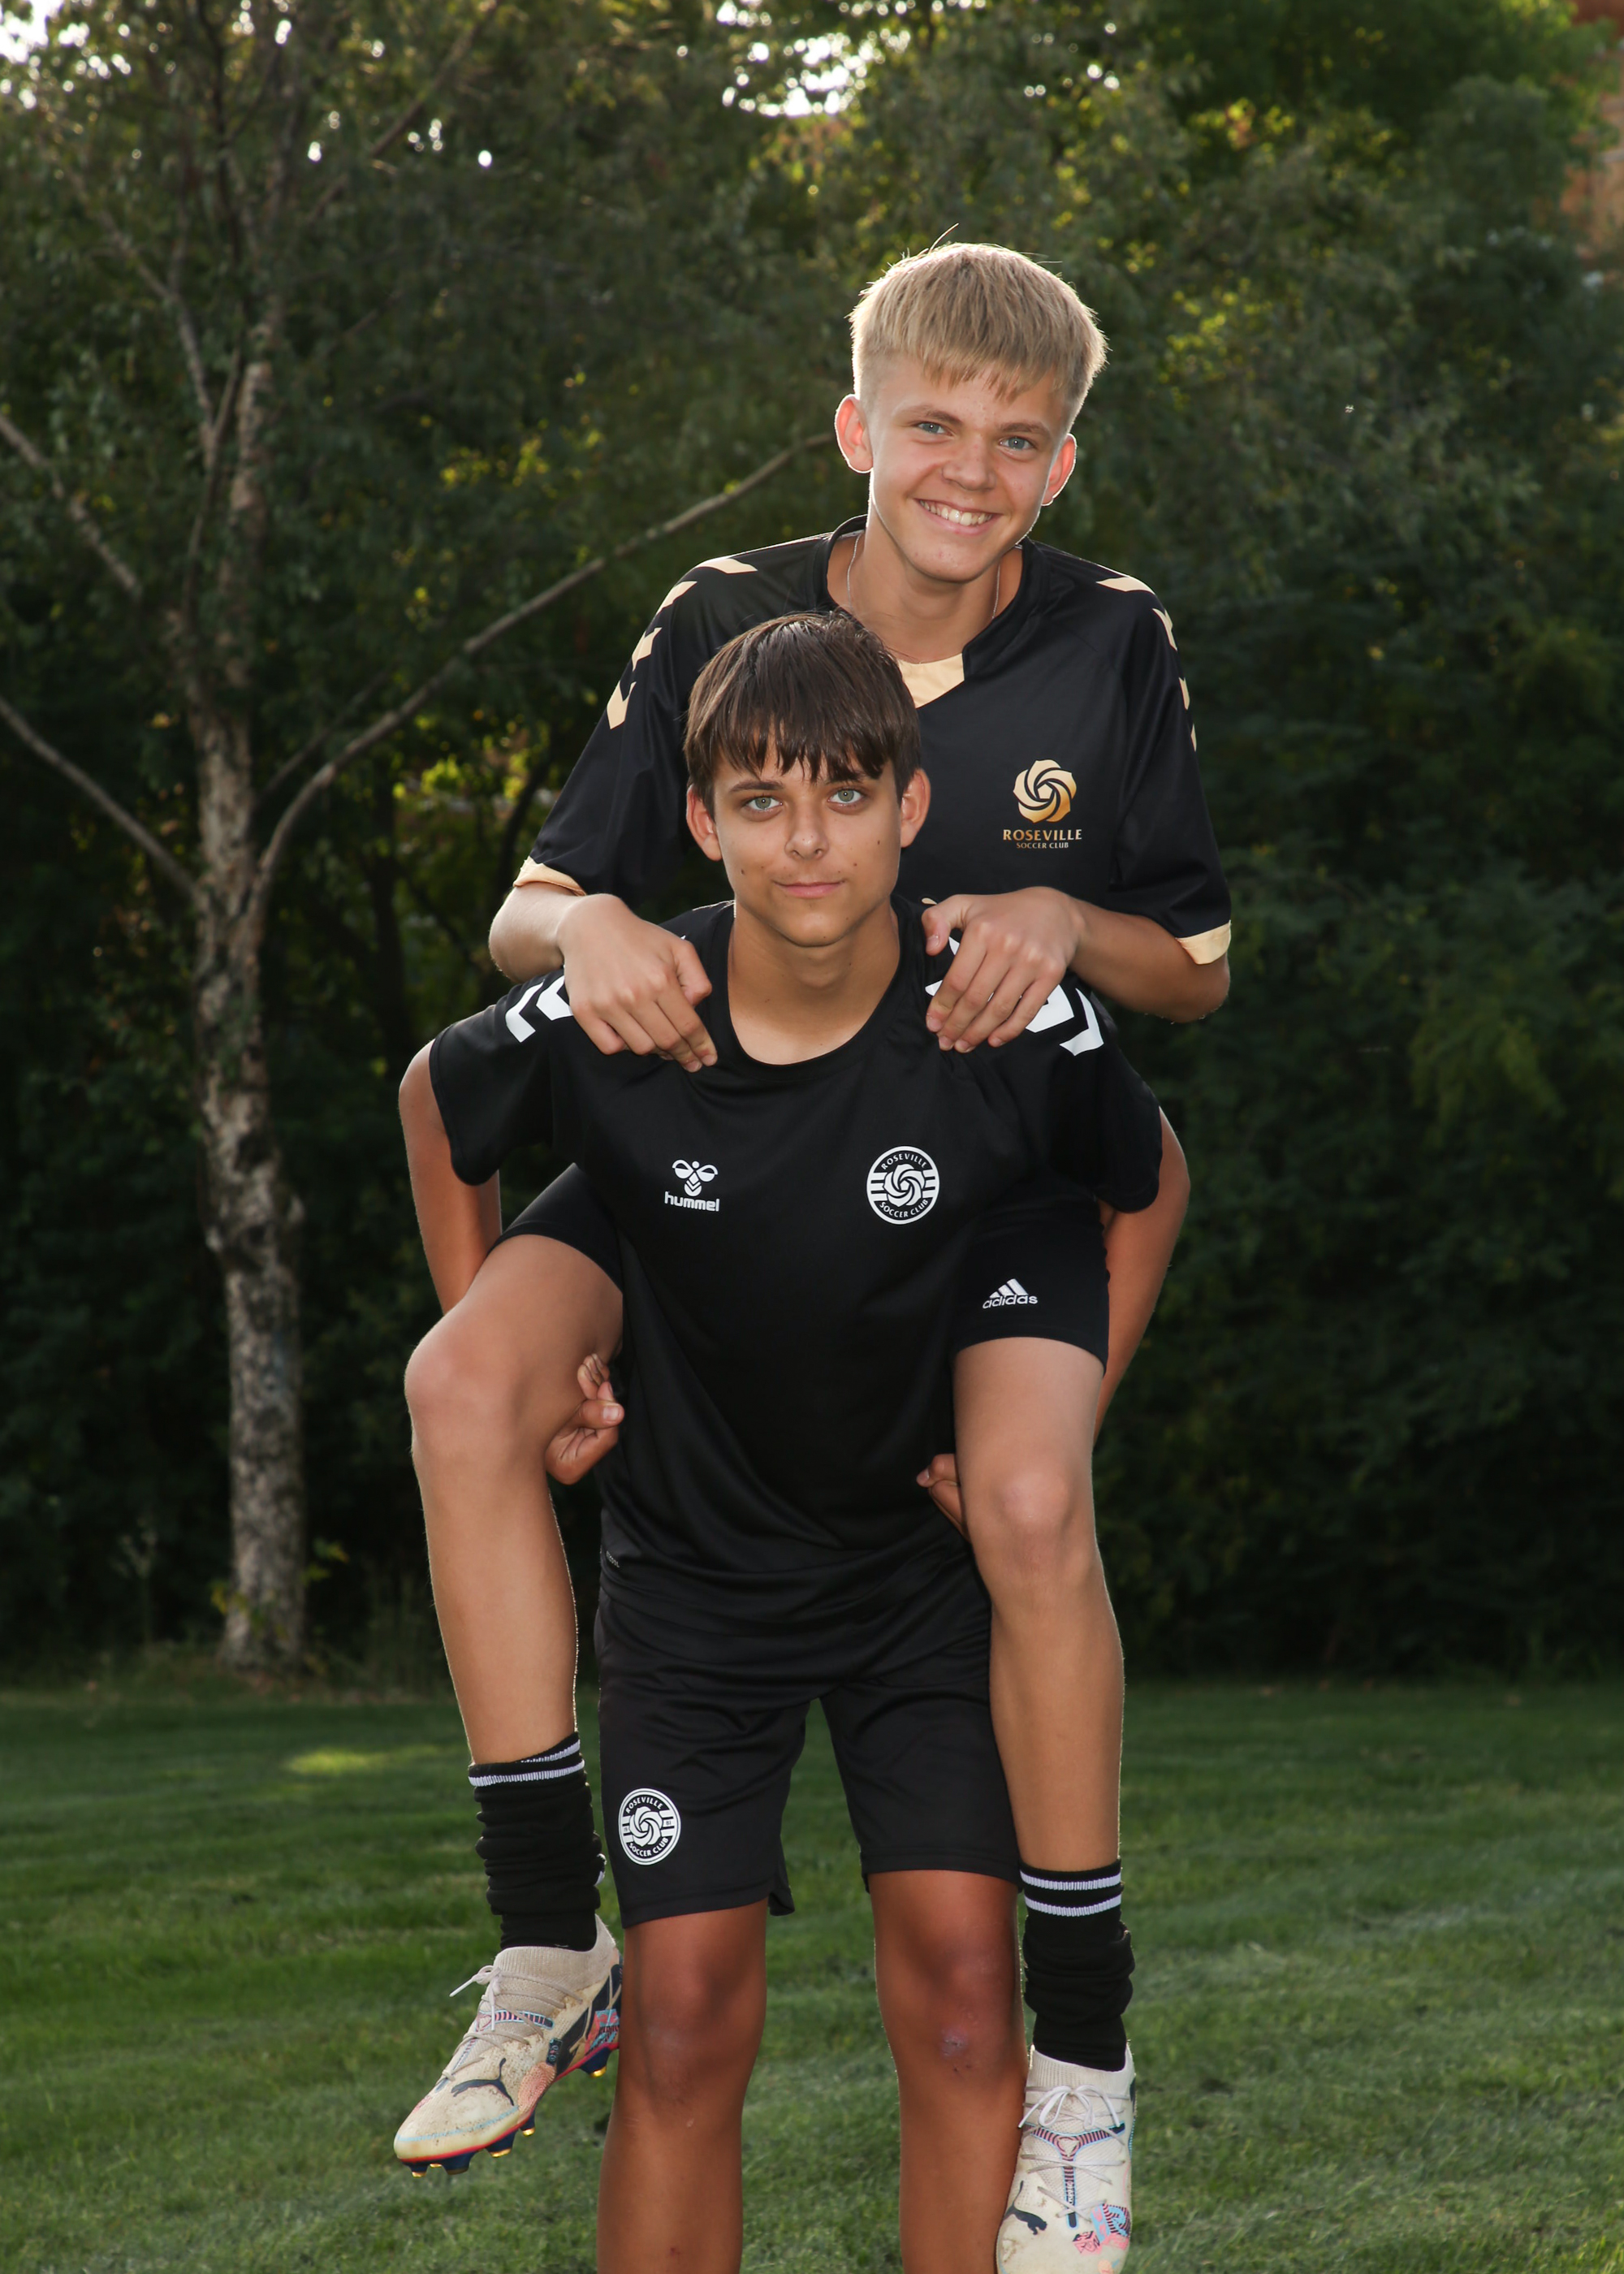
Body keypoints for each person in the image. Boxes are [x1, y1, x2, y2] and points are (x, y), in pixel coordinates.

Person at [399, 243, 1223, 2249]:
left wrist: (1062, 923)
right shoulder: (723, 618)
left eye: (1017, 441)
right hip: (707, 1126)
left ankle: (1086, 2057)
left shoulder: (1111, 639)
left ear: (1061, 463)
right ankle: (545, 1937)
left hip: (974, 1165)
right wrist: (592, 922)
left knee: (1022, 1505)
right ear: (856, 427)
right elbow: (523, 924)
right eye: (932, 425)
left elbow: (1192, 970)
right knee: (467, 1380)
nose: (969, 470)